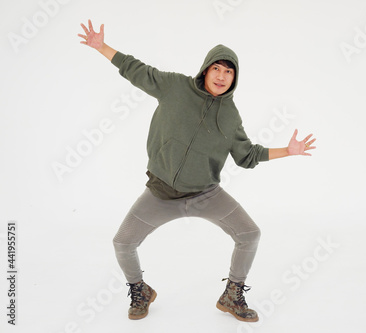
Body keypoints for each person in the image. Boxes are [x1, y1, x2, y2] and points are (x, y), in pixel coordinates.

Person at [78, 19, 316, 322]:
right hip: (160, 192)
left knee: (250, 234)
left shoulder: (230, 115)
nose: (222, 76)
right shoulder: (174, 86)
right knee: (122, 242)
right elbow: (137, 71)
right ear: (206, 69)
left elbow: (247, 155)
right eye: (217, 68)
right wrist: (102, 47)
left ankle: (232, 295)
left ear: (234, 78)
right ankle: (140, 290)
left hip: (206, 194)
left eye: (229, 71)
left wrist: (288, 151)